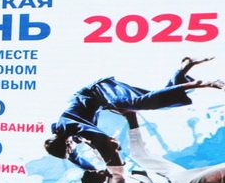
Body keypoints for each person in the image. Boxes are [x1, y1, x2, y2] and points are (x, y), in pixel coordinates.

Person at [44, 57, 223, 170]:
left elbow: (95, 136)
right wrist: (95, 170)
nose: (73, 150)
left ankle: (203, 83)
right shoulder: (70, 139)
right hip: (105, 100)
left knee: (137, 103)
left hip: (99, 91)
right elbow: (77, 160)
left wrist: (109, 151)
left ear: (66, 145)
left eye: (70, 150)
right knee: (158, 102)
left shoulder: (66, 126)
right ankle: (183, 69)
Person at [80, 111, 225, 183]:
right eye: (96, 172)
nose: (100, 171)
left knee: (139, 154)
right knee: (219, 174)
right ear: (97, 181)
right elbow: (118, 173)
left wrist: (93, 144)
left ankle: (131, 115)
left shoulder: (107, 179)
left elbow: (107, 162)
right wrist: (109, 149)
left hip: (165, 177)